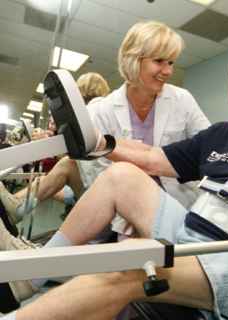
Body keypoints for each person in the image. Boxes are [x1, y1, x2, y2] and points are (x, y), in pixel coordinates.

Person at [1, 32, 228, 320]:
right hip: (193, 236)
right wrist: (100, 142)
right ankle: (30, 275)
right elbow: (154, 157)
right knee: (121, 175)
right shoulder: (222, 134)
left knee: (128, 261)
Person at [92, 20, 211, 243]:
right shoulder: (106, 109)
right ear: (133, 60)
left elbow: (209, 151)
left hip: (181, 208)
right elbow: (103, 174)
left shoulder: (182, 100)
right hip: (128, 212)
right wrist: (130, 209)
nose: (167, 71)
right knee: (129, 267)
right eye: (158, 61)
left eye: (171, 62)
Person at [0, 72, 110, 229]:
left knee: (66, 165)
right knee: (42, 181)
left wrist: (50, 138)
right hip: (91, 185)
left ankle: (9, 213)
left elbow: (83, 153)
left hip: (96, 191)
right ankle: (10, 210)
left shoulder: (92, 111)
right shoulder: (101, 111)